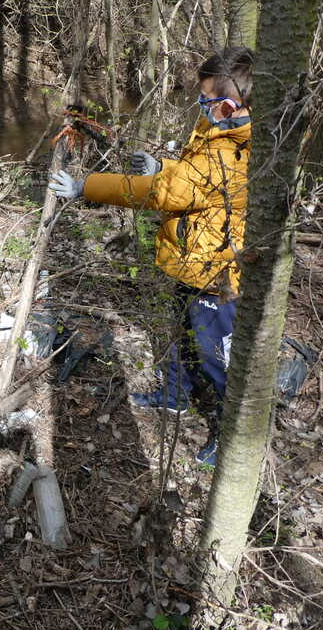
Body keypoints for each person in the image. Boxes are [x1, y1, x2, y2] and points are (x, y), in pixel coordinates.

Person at [48, 47, 254, 466]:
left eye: (206, 101)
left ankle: (230, 434)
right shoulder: (219, 133)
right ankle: (175, 395)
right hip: (190, 261)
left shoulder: (230, 154)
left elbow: (164, 193)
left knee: (214, 356)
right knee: (178, 335)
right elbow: (188, 178)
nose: (200, 106)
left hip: (213, 273)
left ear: (230, 107)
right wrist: (162, 163)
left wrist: (86, 185)